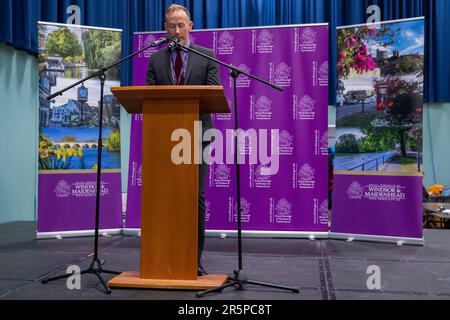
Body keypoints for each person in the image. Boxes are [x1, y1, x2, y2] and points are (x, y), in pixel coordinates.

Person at [146, 4, 220, 276]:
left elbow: (213, 95)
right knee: (163, 197)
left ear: (190, 26)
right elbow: (149, 99)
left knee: (193, 197)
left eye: (180, 25)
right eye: (171, 26)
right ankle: (162, 256)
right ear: (165, 28)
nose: (176, 31)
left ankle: (193, 258)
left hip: (196, 138)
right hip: (163, 139)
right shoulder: (155, 59)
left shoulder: (208, 56)